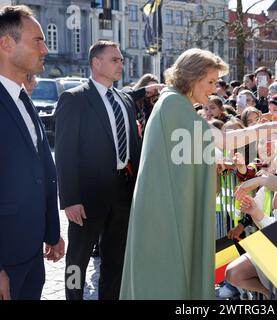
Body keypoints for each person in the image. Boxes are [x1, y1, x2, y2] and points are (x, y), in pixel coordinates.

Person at [120, 48, 277, 300]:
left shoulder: (174, 102)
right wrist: (273, 126)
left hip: (163, 210)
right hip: (166, 213)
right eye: (210, 82)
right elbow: (224, 140)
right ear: (192, 76)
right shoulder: (175, 104)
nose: (214, 89)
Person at [55, 40, 141, 300]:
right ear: (96, 63)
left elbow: (134, 147)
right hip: (87, 198)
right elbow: (65, 152)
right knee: (77, 260)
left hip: (123, 192)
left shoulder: (125, 99)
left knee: (116, 260)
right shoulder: (74, 98)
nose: (121, 65)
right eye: (115, 60)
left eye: (121, 60)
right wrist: (70, 199)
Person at [0, 5, 64, 300]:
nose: (46, 48)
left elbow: (42, 170)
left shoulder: (21, 98)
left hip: (31, 254)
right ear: (6, 44)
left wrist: (52, 231)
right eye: (37, 40)